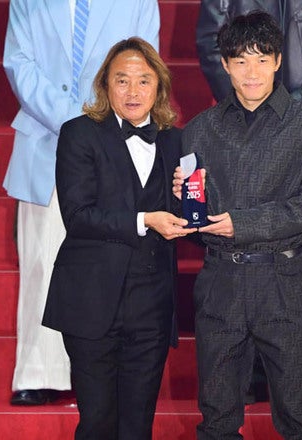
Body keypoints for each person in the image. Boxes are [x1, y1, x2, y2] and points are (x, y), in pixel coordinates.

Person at [196, 0, 302, 406]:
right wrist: (254, 105)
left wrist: (293, 115)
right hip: (244, 124)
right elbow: (211, 40)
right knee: (248, 240)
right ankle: (252, 370)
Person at [175, 11, 302, 439]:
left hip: (283, 280)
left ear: (279, 61)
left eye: (262, 59)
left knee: (299, 415)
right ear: (225, 64)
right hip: (220, 280)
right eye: (241, 61)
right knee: (216, 417)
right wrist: (182, 197)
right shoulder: (199, 131)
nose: (252, 72)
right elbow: (193, 219)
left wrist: (241, 224)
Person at [2, 0, 160, 405]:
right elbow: (18, 62)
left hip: (113, 142)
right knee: (41, 259)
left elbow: (146, 65)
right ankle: (38, 373)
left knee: (104, 258)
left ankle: (101, 368)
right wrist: (74, 124)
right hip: (44, 136)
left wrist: (97, 126)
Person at [41, 37, 194, 439]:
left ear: (159, 87)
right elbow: (78, 216)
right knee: (97, 423)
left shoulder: (177, 141)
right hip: (91, 301)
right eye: (122, 80)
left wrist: (189, 200)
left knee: (137, 426)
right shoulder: (79, 134)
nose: (132, 91)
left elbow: (188, 223)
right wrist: (145, 219)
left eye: (143, 81)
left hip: (151, 305)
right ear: (105, 86)